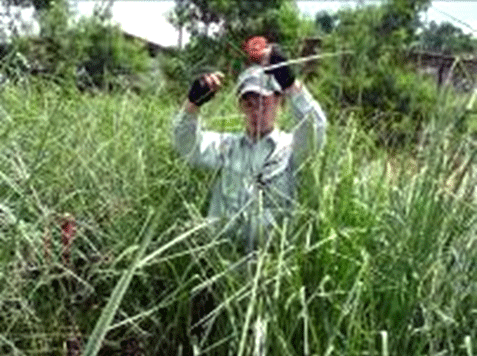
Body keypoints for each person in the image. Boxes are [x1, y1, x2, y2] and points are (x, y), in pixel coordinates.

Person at [173, 42, 327, 254]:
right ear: (240, 106)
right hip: (221, 265)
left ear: (279, 102)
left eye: (264, 101)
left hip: (271, 271)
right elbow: (187, 146)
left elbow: (316, 129)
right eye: (249, 103)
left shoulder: (292, 149)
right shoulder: (226, 146)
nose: (256, 110)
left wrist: (290, 84)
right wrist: (193, 104)